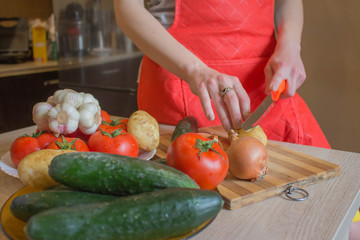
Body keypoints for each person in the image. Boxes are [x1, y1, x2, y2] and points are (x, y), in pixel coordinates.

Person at [113, 0, 330, 148]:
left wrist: (291, 45)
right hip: (181, 82)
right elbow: (126, 9)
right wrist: (195, 71)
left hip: (263, 86)